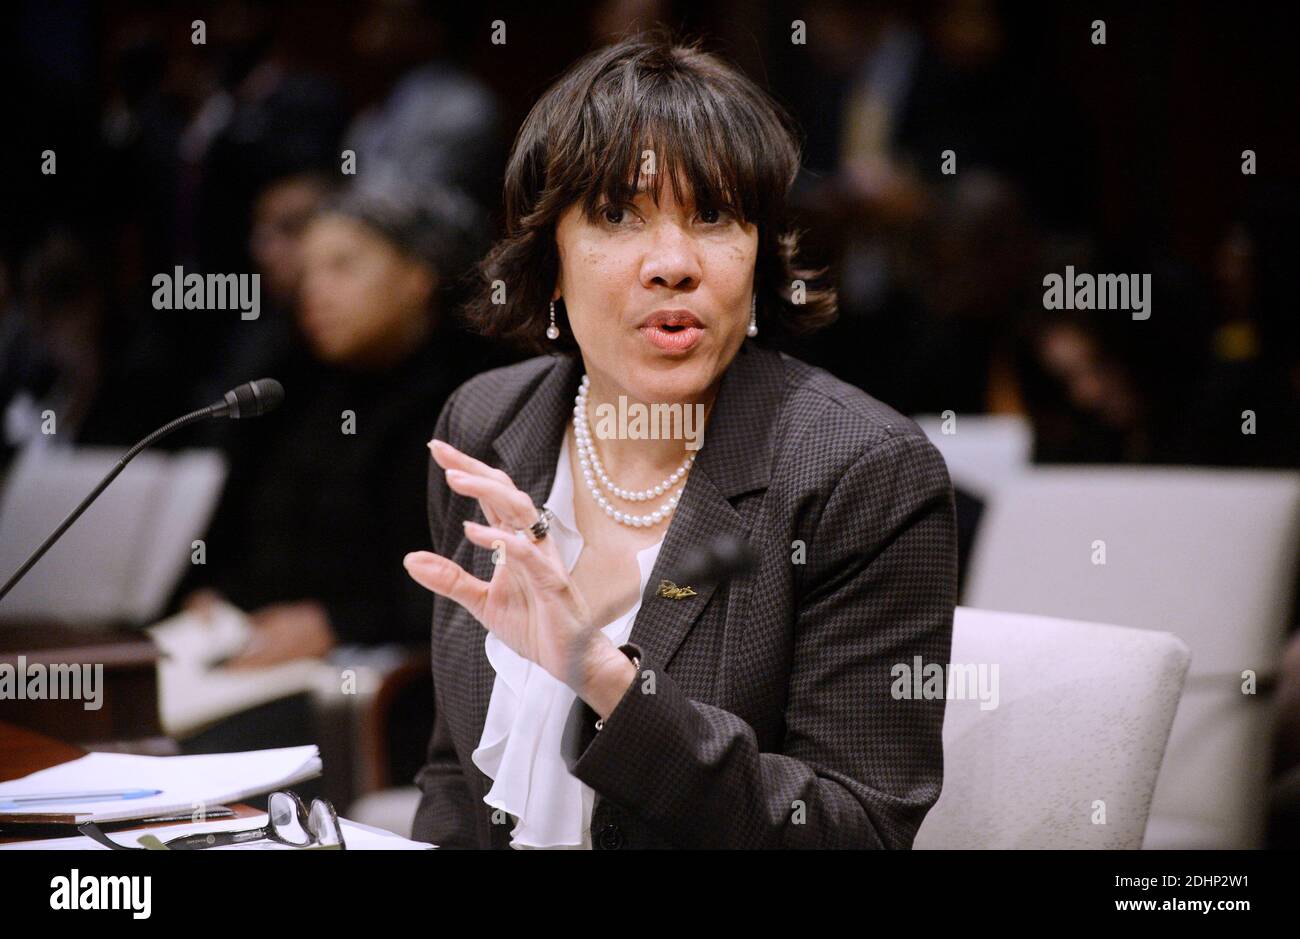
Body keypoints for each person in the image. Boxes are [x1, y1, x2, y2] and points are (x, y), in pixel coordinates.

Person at [402, 34, 957, 849]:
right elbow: (455, 770)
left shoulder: (860, 472)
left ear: (760, 252)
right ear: (548, 258)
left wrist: (603, 678)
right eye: (618, 215)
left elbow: (857, 828)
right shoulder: (486, 428)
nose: (673, 263)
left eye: (714, 215)